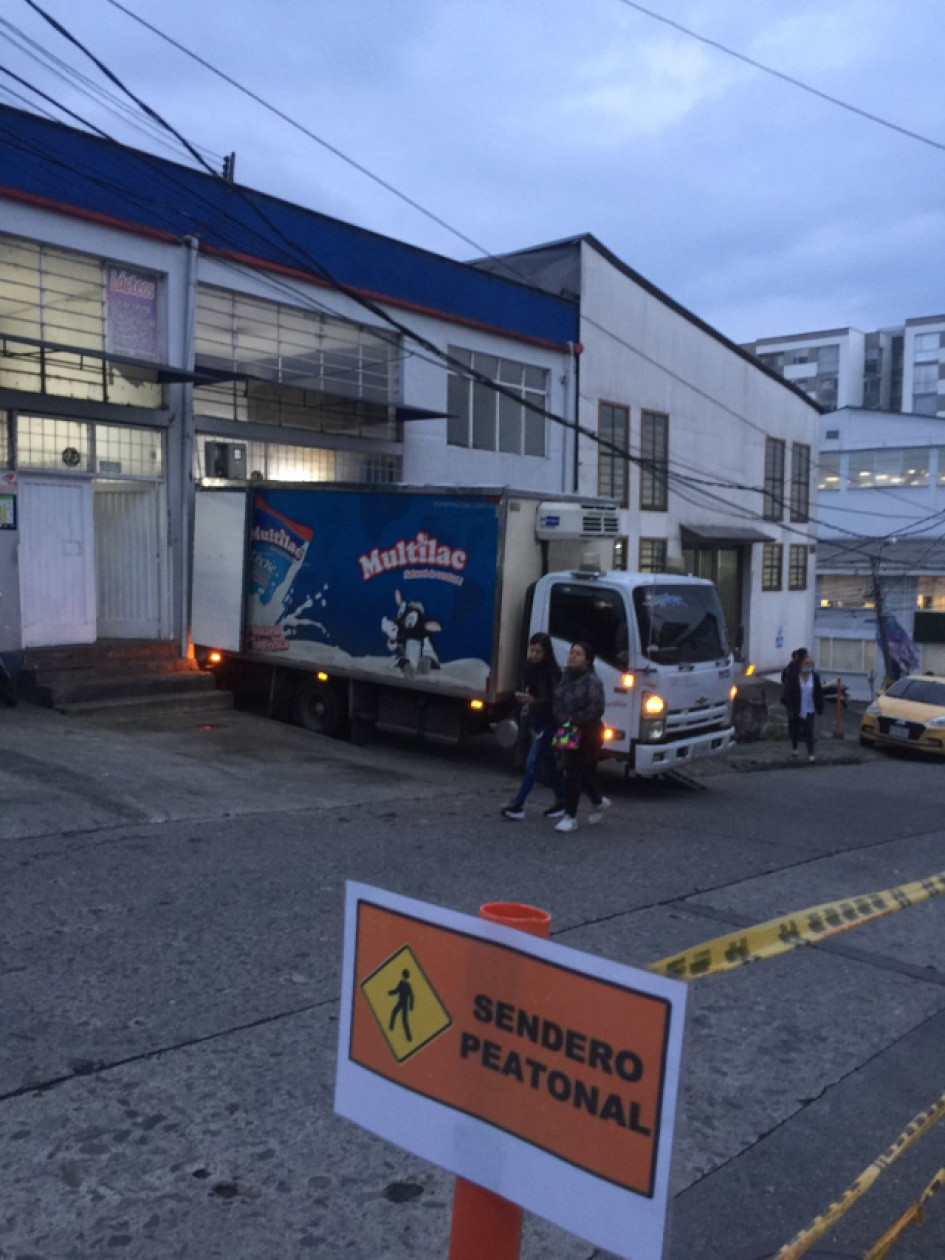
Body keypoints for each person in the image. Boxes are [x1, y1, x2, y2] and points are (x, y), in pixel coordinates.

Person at [502, 633, 566, 820]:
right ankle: (562, 799)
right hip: (537, 720)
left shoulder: (552, 672)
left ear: (546, 652)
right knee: (548, 762)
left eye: (538, 651)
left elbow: (553, 701)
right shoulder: (530, 668)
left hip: (549, 722)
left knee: (533, 762)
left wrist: (532, 701)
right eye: (532, 650)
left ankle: (518, 804)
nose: (534, 654)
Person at [552, 641, 610, 833]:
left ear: (587, 660)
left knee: (574, 770)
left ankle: (570, 816)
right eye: (571, 652)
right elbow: (558, 700)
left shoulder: (593, 680)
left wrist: (576, 719)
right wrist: (562, 718)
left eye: (578, 654)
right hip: (568, 729)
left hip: (587, 732)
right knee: (576, 771)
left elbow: (596, 707)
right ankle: (598, 801)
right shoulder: (566, 677)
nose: (572, 656)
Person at [782, 653, 824, 761]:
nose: (809, 666)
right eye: (806, 663)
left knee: (809, 730)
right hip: (797, 707)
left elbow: (819, 693)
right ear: (800, 664)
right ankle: (795, 748)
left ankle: (811, 754)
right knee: (795, 729)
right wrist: (790, 707)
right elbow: (788, 693)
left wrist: (820, 708)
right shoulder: (794, 677)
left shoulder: (814, 677)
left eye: (810, 664)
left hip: (810, 708)